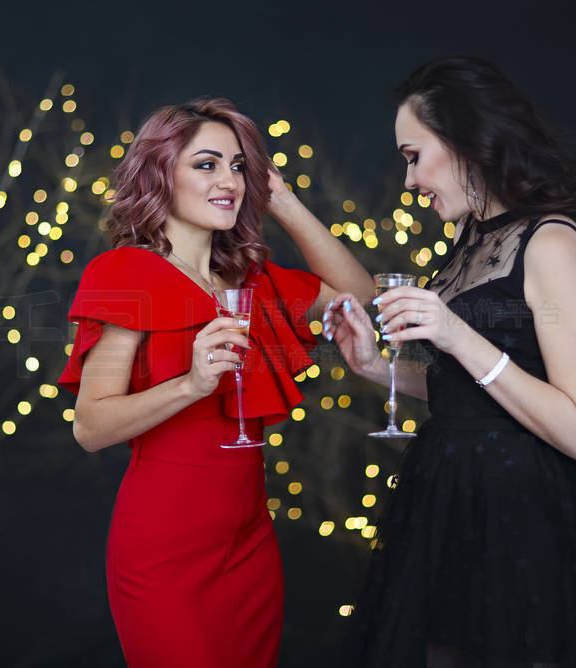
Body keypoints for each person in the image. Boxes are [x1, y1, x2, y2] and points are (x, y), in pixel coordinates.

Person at [323, 57, 576, 666]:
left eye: (412, 155)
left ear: (464, 143)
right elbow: (469, 391)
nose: (408, 183)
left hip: (522, 516)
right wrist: (375, 367)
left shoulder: (552, 241)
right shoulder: (470, 242)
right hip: (448, 503)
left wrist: (456, 334)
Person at [58, 98, 373, 667]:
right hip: (164, 552)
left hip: (250, 543)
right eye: (206, 164)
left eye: (237, 166)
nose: (228, 179)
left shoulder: (253, 282)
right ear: (161, 173)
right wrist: (190, 385)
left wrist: (282, 200)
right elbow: (90, 426)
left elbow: (358, 300)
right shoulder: (124, 272)